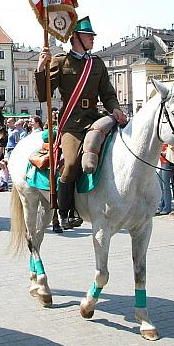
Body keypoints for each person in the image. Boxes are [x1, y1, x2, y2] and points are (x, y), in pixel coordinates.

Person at [35, 16, 127, 230]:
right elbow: (43, 95)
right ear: (76, 37)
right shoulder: (60, 61)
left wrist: (116, 109)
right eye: (89, 36)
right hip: (72, 124)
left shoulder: (97, 63)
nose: (93, 39)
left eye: (92, 36)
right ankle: (66, 212)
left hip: (95, 119)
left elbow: (108, 93)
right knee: (71, 163)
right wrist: (41, 69)